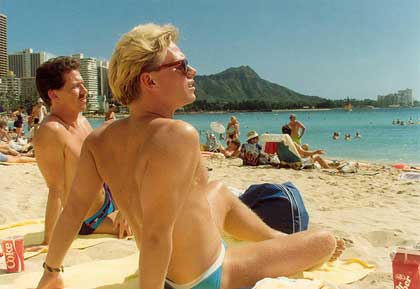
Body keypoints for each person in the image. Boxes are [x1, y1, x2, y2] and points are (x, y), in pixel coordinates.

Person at [35, 23, 344, 289]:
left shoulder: (99, 138)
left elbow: (73, 210)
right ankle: (280, 245)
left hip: (171, 268)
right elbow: (157, 234)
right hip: (205, 275)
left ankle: (275, 239)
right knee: (325, 241)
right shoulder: (177, 135)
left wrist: (51, 272)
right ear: (150, 81)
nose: (193, 71)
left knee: (219, 191)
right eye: (181, 66)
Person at [32, 56, 131, 249]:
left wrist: (125, 204)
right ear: (54, 95)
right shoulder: (51, 132)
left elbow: (106, 169)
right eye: (76, 87)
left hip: (112, 200)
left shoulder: (82, 121)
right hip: (91, 218)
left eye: (83, 85)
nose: (85, 92)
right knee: (153, 223)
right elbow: (56, 190)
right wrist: (49, 241)